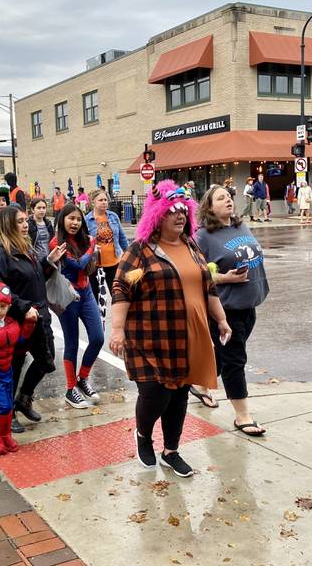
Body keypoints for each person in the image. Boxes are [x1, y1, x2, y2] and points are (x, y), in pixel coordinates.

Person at [110, 180, 231, 477]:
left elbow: (208, 287)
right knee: (155, 392)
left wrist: (222, 319)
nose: (180, 216)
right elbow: (122, 288)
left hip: (187, 336)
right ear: (157, 215)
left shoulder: (191, 246)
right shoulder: (141, 250)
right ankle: (143, 435)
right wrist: (117, 329)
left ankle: (171, 451)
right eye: (172, 211)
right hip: (150, 337)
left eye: (183, 211)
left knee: (178, 395)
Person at [191, 185, 269, 436]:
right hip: (225, 309)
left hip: (249, 305)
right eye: (220, 198)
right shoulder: (203, 236)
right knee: (235, 360)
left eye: (229, 197)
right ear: (209, 207)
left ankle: (201, 386)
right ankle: (242, 416)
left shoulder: (240, 226)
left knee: (225, 355)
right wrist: (224, 278)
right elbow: (194, 276)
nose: (228, 201)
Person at [0, 206, 67, 433]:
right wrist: (23, 308)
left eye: (26, 221)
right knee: (12, 366)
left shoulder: (26, 246)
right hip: (16, 319)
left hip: (38, 317)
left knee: (47, 359)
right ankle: (7, 414)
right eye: (20, 222)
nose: (26, 225)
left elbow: (33, 279)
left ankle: (23, 399)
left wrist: (47, 262)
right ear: (8, 225)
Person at [51, 204, 104, 408]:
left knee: (98, 338)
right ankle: (70, 389)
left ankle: (83, 378)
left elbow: (89, 266)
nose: (75, 223)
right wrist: (93, 245)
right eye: (71, 218)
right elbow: (78, 265)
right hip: (68, 296)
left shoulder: (84, 240)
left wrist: (90, 246)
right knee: (71, 343)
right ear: (62, 220)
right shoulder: (58, 242)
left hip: (86, 292)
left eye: (78, 219)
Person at [0, 282, 37, 455]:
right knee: (3, 406)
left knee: (8, 406)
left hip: (6, 371)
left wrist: (29, 324)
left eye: (2, 306)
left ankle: (4, 434)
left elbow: (20, 339)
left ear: (9, 307)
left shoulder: (10, 323)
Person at [85, 188, 128, 304]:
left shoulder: (113, 216)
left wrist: (129, 255)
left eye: (105, 200)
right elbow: (83, 243)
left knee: (117, 294)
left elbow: (122, 238)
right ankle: (97, 320)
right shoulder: (87, 220)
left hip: (113, 262)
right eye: (101, 200)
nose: (104, 202)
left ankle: (118, 318)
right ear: (93, 202)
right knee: (95, 296)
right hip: (95, 265)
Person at [28, 197, 54, 261]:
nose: (42, 210)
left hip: (49, 259)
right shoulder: (28, 225)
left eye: (44, 208)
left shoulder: (48, 224)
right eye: (39, 208)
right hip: (36, 261)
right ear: (32, 209)